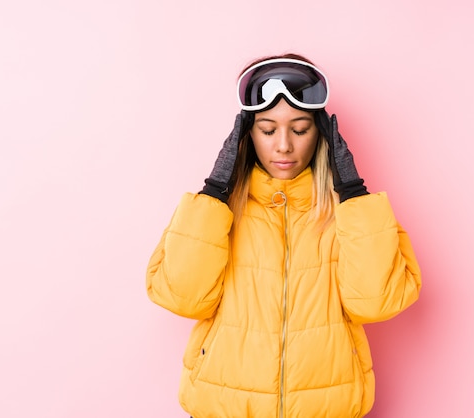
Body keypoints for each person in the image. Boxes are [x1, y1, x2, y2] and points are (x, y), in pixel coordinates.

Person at [146, 53, 422, 418]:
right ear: (246, 134)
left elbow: (376, 303)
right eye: (267, 129)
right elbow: (181, 297)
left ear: (321, 133)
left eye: (300, 128)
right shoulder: (218, 215)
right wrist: (215, 192)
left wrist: (353, 193)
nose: (284, 146)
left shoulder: (351, 216)